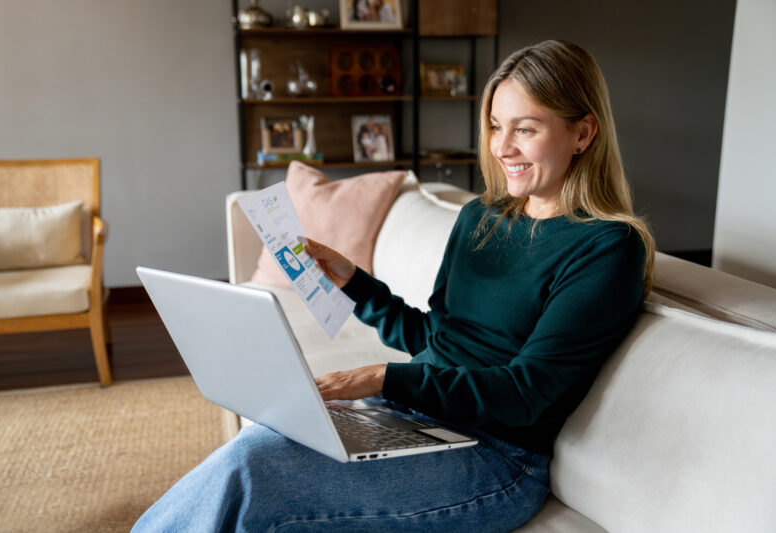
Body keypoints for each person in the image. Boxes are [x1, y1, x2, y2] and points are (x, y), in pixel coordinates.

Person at [132, 40, 655, 532]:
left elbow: (525, 395)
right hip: (410, 421)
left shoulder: (607, 248)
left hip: (495, 458)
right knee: (262, 445)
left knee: (255, 472)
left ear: (583, 133)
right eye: (495, 127)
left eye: (525, 129)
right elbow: (436, 339)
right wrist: (354, 284)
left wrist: (383, 378)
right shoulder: (481, 217)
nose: (501, 147)